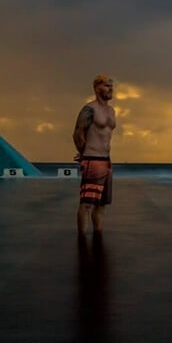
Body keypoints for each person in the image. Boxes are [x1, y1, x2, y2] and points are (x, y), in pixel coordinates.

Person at [73, 74, 117, 236]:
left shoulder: (111, 111)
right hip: (92, 159)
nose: (110, 89)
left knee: (101, 204)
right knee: (87, 203)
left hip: (106, 161)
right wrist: (83, 154)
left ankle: (98, 237)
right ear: (97, 88)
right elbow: (78, 134)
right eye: (106, 85)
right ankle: (82, 239)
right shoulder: (89, 109)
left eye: (111, 86)